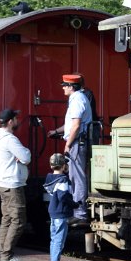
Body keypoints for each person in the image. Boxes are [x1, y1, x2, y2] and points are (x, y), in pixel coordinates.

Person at [49, 73, 91, 226]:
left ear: (71, 87)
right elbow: (71, 125)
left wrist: (68, 144)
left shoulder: (77, 100)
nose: (63, 89)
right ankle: (77, 211)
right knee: (74, 176)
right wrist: (56, 131)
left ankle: (80, 213)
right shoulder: (76, 99)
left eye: (65, 86)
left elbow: (76, 125)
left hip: (77, 143)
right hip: (77, 141)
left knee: (77, 177)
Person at [0, 107, 31, 261]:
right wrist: (24, 153)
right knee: (19, 220)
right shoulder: (10, 139)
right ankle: (7, 257)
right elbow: (26, 157)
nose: (17, 120)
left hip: (3, 183)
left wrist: (20, 155)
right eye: (15, 118)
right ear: (10, 122)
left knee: (7, 220)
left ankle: (4, 255)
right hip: (12, 184)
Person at [44, 153, 73, 261]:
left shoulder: (49, 178)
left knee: (54, 239)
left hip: (53, 211)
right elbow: (63, 196)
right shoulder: (63, 179)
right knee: (59, 240)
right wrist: (75, 204)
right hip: (61, 212)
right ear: (63, 166)